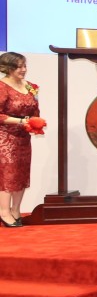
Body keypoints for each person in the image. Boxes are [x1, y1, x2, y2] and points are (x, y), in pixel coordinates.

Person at [0, 52, 40, 228]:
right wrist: (21, 121)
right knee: (8, 174)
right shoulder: (2, 87)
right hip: (5, 137)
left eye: (24, 66)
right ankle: (3, 211)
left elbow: (35, 109)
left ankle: (15, 209)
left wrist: (35, 123)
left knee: (21, 173)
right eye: (18, 67)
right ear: (8, 68)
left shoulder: (30, 86)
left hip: (23, 137)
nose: (23, 70)